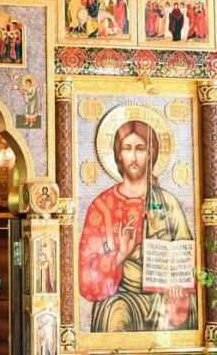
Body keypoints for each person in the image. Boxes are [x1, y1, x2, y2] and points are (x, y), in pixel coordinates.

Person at [79, 120, 196, 333]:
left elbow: (185, 255)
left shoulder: (167, 203)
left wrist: (178, 289)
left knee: (181, 313)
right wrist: (120, 255)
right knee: (115, 312)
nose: (133, 157)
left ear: (150, 154)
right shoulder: (101, 206)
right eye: (127, 149)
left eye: (140, 149)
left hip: (162, 297)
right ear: (118, 155)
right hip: (121, 297)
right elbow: (86, 274)